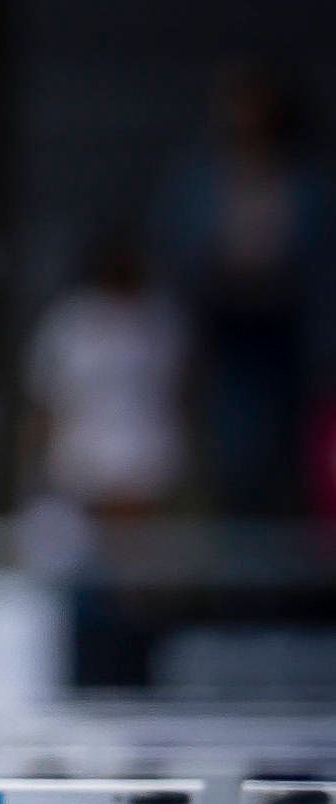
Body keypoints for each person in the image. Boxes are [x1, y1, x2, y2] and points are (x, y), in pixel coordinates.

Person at [156, 61, 326, 520]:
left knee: (297, 465)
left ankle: (296, 587)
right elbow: (178, 256)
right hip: (223, 335)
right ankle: (235, 583)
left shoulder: (306, 180)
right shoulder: (199, 179)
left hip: (288, 333)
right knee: (233, 463)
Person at [26, 227, 185, 522]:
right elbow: (44, 399)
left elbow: (176, 391)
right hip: (79, 462)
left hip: (143, 458)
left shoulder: (162, 319)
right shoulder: (69, 321)